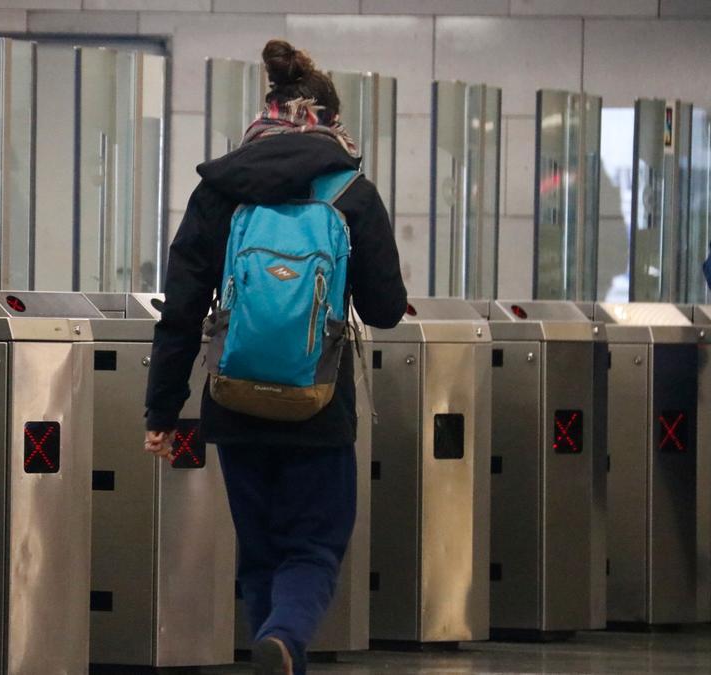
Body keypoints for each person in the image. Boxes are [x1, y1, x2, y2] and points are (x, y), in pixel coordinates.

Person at [142, 40, 407, 675]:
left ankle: (272, 646)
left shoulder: (221, 188)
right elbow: (386, 309)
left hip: (232, 399)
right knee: (314, 546)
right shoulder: (351, 191)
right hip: (318, 402)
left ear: (267, 111)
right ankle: (285, 640)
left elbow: (180, 311)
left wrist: (162, 410)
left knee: (259, 549)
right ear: (331, 120)